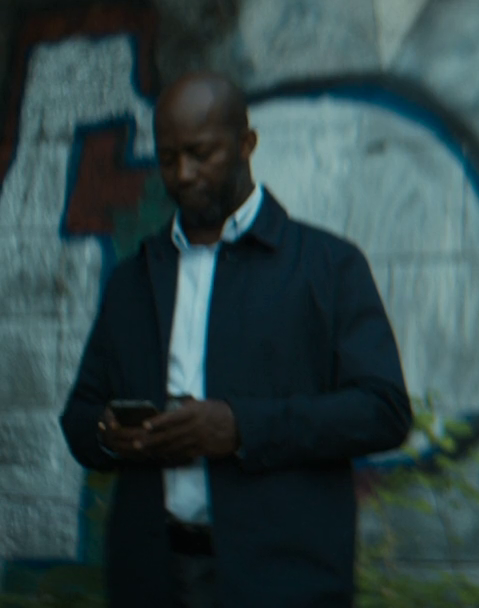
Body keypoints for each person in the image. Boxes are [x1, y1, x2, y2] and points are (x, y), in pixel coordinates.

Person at [60, 72, 412, 607]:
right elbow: (79, 418)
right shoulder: (134, 279)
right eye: (168, 158)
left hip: (284, 583)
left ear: (246, 143)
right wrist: (111, 434)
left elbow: (384, 412)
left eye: (202, 154)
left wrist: (241, 427)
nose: (183, 174)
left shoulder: (327, 266)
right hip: (151, 579)